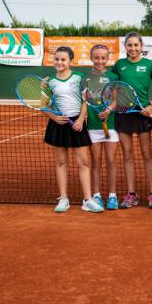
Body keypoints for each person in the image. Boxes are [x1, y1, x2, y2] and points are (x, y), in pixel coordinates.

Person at [44, 46, 103, 213]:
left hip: (76, 123)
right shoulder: (49, 82)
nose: (59, 62)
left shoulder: (79, 77)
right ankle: (63, 199)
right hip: (58, 124)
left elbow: (86, 101)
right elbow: (43, 106)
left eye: (63, 59)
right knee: (61, 162)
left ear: (70, 61)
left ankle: (88, 200)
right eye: (57, 59)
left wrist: (80, 118)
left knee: (83, 162)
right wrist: (53, 117)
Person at [111, 32, 152, 209]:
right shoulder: (119, 65)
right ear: (125, 47)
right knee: (128, 154)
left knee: (147, 154)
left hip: (142, 113)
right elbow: (115, 87)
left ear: (141, 46)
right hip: (123, 114)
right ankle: (131, 194)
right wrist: (114, 105)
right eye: (129, 45)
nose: (133, 48)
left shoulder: (150, 65)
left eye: (136, 45)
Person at [86, 44, 120, 210]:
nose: (100, 61)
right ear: (91, 58)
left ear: (108, 58)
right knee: (95, 162)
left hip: (111, 126)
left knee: (111, 161)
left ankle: (112, 195)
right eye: (96, 57)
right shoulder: (85, 78)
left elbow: (115, 100)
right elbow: (83, 101)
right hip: (93, 127)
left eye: (103, 58)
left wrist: (109, 109)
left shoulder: (113, 77)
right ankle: (96, 195)